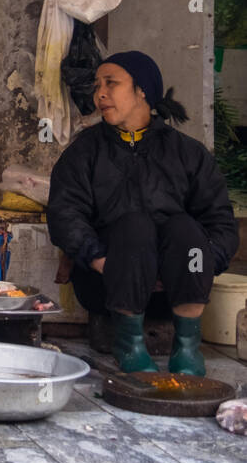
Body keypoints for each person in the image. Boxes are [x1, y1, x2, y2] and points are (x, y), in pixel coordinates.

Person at [47, 51, 240, 375]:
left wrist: (197, 266)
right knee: (135, 227)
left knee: (185, 230)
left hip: (175, 289)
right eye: (98, 86)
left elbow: (220, 223)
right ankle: (129, 345)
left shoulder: (188, 154)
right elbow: (65, 214)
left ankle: (188, 348)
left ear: (143, 92)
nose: (100, 94)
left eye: (111, 83)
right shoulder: (85, 152)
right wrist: (102, 262)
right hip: (107, 284)